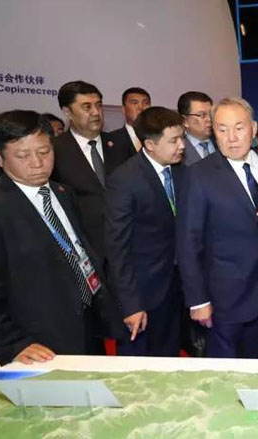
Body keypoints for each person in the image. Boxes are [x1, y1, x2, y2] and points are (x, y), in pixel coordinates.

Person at [0, 110, 123, 366]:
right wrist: (12, 343)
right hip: (37, 340)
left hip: (85, 322)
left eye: (44, 152)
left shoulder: (63, 193)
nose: (37, 163)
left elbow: (78, 251)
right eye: (23, 156)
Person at [177, 97, 258, 358]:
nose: (231, 138)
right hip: (223, 297)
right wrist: (198, 300)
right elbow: (188, 242)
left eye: (239, 128)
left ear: (253, 128)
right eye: (222, 129)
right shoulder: (199, 175)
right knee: (224, 371)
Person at [105, 107, 185, 356]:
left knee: (170, 358)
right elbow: (117, 248)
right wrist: (130, 304)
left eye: (182, 138)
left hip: (176, 288)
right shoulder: (125, 179)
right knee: (138, 365)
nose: (182, 146)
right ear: (150, 145)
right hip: (142, 293)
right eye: (174, 140)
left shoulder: (181, 171)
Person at [51, 80, 132, 262]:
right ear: (67, 112)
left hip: (126, 242)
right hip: (85, 248)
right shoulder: (55, 150)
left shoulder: (120, 143)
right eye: (87, 107)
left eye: (98, 105)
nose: (96, 112)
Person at [177, 91, 216, 166]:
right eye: (202, 115)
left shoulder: (221, 141)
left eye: (211, 114)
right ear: (184, 121)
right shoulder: (178, 148)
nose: (209, 119)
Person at [109, 87, 151, 154]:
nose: (141, 107)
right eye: (135, 103)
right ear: (123, 109)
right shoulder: (111, 139)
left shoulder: (159, 136)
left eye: (145, 103)